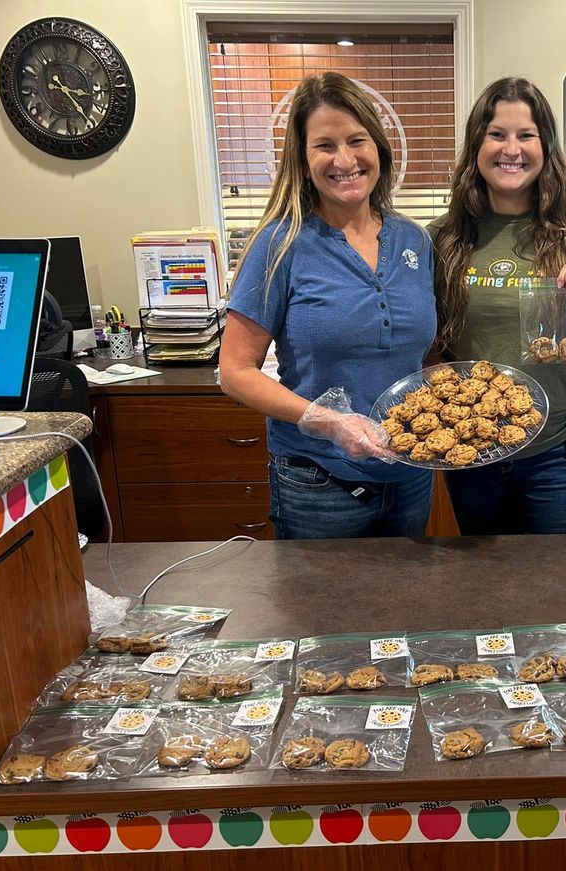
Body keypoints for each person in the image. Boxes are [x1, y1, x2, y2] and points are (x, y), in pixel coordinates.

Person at [220, 73, 436, 539]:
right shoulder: (279, 245)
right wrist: (330, 422)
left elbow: (424, 356)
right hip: (318, 483)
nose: (345, 160)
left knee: (407, 607)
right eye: (325, 145)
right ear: (302, 158)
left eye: (357, 141)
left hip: (412, 474)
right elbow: (235, 371)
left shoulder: (415, 240)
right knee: (320, 613)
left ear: (378, 147)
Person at [430, 76, 566, 535]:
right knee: (482, 580)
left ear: (546, 146)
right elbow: (426, 342)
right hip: (474, 446)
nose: (512, 149)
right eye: (497, 134)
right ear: (476, 146)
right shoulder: (443, 237)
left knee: (555, 587)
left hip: (556, 453)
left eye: (526, 135)